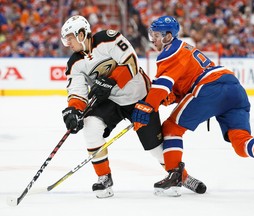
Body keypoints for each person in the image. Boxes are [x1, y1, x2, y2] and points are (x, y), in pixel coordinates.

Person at [132, 15, 254, 196]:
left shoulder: (170, 52)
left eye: (157, 35)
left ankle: (174, 175)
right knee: (240, 141)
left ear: (168, 36)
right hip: (234, 89)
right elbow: (178, 87)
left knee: (171, 128)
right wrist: (169, 98)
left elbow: (163, 85)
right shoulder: (184, 49)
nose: (154, 39)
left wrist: (147, 105)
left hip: (210, 87)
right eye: (153, 34)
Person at [60, 15, 205, 198]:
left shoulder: (109, 38)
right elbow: (77, 91)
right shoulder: (74, 63)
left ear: (81, 34)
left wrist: (110, 81)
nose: (68, 43)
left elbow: (131, 62)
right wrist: (74, 110)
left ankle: (181, 177)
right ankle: (103, 178)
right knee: (90, 126)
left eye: (70, 38)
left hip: (140, 97)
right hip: (111, 101)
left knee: (155, 149)